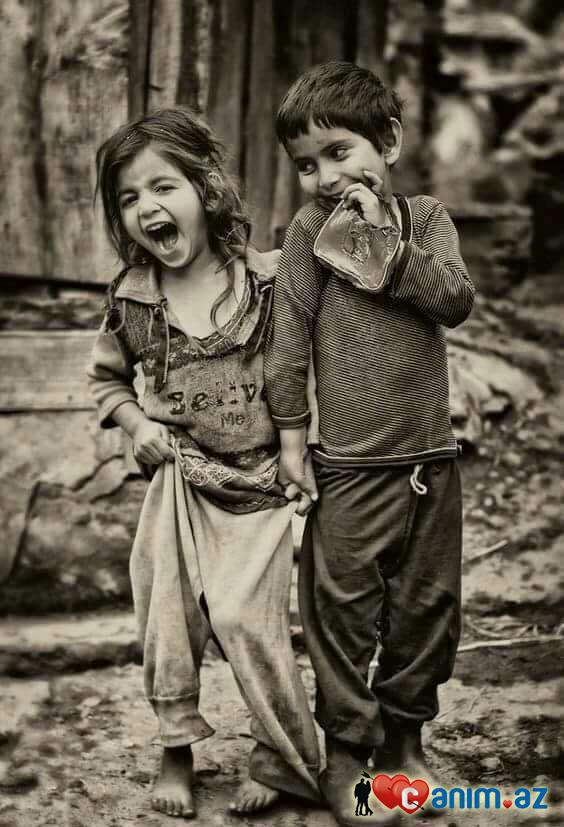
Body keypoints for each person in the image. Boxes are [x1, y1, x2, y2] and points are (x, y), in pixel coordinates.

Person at [87, 107, 320, 820]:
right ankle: (175, 748)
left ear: (206, 188)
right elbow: (107, 383)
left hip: (265, 482)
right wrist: (136, 426)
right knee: (167, 614)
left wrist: (304, 447)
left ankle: (280, 752)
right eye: (129, 198)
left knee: (248, 621)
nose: (147, 207)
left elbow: (310, 366)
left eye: (164, 187)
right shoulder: (132, 300)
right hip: (181, 480)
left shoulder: (269, 282)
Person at [264, 61, 475, 826]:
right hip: (349, 468)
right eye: (306, 164)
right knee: (343, 610)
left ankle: (405, 741)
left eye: (339, 152)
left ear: (386, 142)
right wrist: (293, 439)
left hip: (429, 463)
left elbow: (454, 300)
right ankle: (346, 752)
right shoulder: (305, 233)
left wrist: (385, 242)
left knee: (427, 605)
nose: (325, 177)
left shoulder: (427, 220)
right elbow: (288, 340)